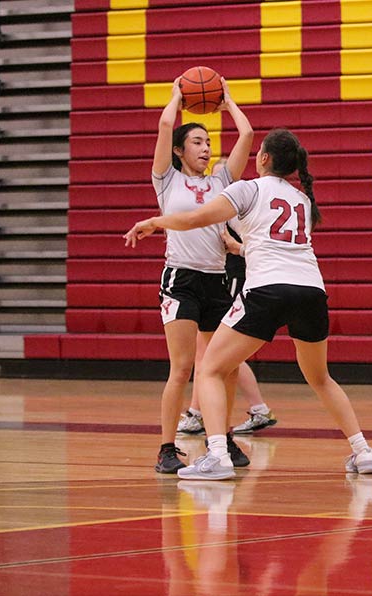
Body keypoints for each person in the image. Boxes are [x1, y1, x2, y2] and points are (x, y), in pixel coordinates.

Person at [125, 128, 372, 480]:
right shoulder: (302, 199)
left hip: (268, 290)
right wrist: (238, 247)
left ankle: (216, 455)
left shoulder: (248, 188)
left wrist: (155, 221)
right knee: (320, 378)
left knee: (211, 369)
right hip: (312, 291)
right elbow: (274, 244)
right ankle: (363, 451)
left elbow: (196, 219)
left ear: (262, 159)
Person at [150, 76, 254, 473]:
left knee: (222, 367)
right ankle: (166, 447)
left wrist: (227, 102)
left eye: (209, 142)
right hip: (181, 279)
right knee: (182, 368)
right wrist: (178, 95)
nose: (206, 147)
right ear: (178, 150)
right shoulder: (167, 180)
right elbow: (164, 126)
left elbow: (246, 133)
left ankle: (221, 437)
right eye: (197, 141)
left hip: (217, 279)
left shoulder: (221, 180)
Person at [178, 223, 278, 436]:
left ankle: (198, 414)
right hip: (224, 271)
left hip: (231, 273)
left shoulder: (231, 200)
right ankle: (256, 408)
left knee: (215, 350)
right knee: (209, 349)